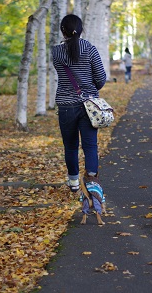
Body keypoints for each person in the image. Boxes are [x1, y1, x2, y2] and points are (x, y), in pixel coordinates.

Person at [51, 14, 107, 193]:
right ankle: (92, 181)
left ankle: (74, 182)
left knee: (70, 145)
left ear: (62, 30)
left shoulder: (56, 52)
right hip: (88, 105)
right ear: (81, 29)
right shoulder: (90, 49)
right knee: (90, 145)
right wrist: (91, 88)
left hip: (66, 105)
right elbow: (101, 77)